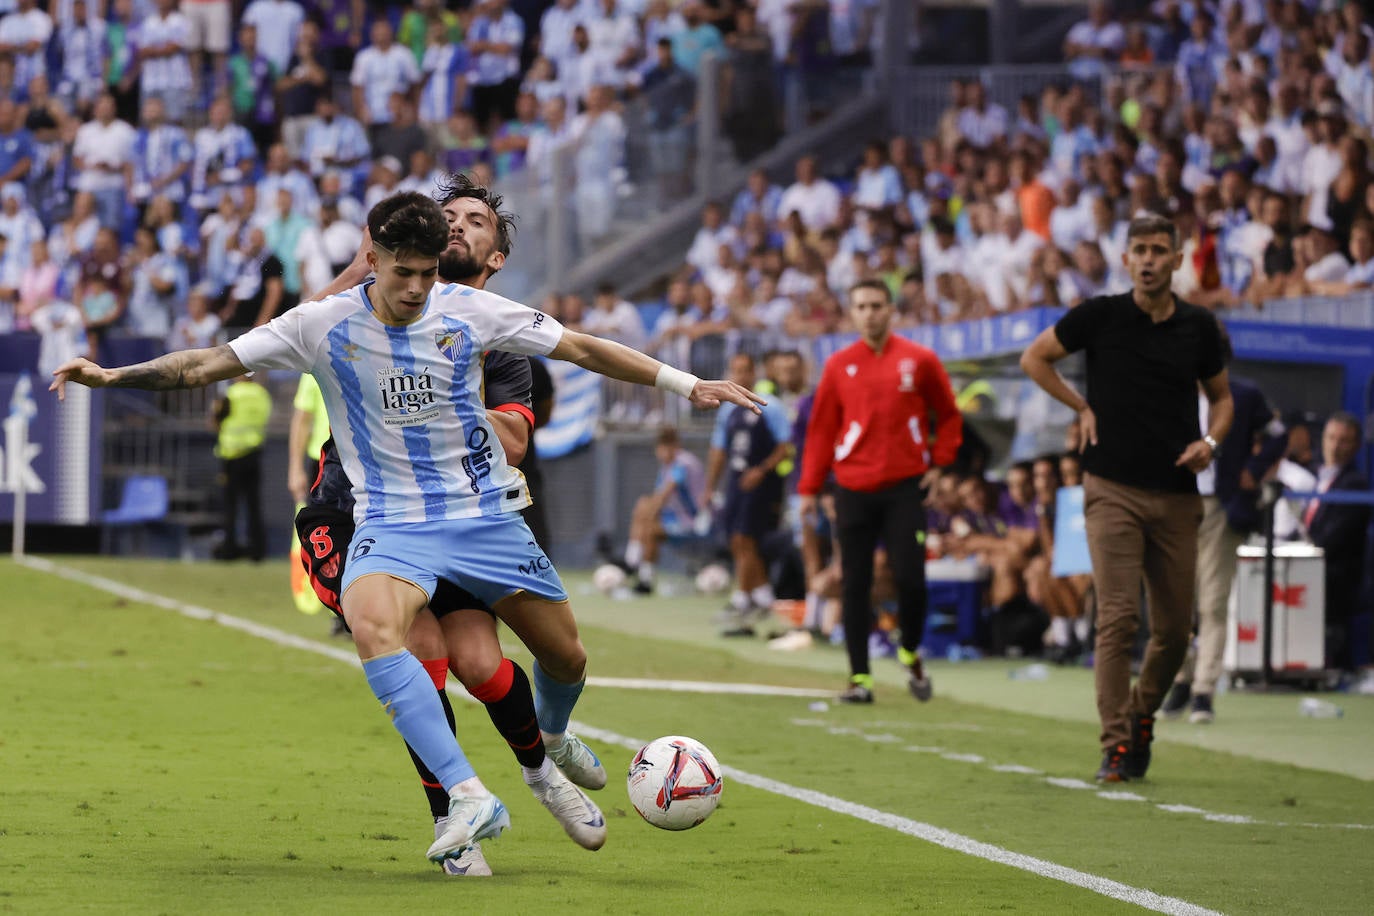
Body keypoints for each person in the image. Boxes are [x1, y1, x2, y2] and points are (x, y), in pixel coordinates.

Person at [51, 190, 761, 868]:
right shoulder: (320, 323)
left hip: (484, 517)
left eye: (427, 272)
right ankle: (467, 796)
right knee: (373, 628)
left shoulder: (473, 311)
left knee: (566, 659)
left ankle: (548, 738)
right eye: (404, 272)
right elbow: (205, 363)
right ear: (374, 260)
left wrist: (683, 383)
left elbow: (580, 347)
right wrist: (113, 377)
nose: (418, 287)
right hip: (392, 524)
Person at [1020, 212, 1232, 783]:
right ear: (1125, 259)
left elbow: (1223, 400)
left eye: (1159, 250)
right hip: (1111, 488)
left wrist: (1210, 440)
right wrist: (1081, 407)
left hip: (1177, 496)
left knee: (1174, 631)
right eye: (1138, 249)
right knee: (1116, 620)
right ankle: (1115, 744)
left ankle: (1142, 714)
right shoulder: (1100, 316)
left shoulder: (1198, 327)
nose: (1147, 260)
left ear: (1177, 260)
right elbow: (1034, 358)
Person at [798, 279, 963, 704]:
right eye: (861, 306)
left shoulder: (919, 360)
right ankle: (860, 679)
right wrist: (810, 488)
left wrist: (941, 463)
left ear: (891, 310)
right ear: (852, 314)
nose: (869, 313)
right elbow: (821, 431)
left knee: (911, 578)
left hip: (905, 487)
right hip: (852, 486)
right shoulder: (838, 365)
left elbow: (948, 414)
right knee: (855, 581)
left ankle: (908, 647)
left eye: (876, 305)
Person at [1162, 331, 1287, 723]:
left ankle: (1203, 691)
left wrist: (1252, 471)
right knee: (1178, 600)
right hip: (1177, 504)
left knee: (1212, 601)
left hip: (1221, 505)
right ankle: (1181, 681)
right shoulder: (1175, 394)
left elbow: (1277, 436)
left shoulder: (1244, 395)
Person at [704, 352, 793, 635]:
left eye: (745, 371)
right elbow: (719, 450)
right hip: (736, 482)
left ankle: (743, 597)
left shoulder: (771, 406)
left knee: (746, 537)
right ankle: (763, 596)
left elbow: (785, 446)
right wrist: (710, 485)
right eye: (736, 371)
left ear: (753, 373)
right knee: (737, 539)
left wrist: (762, 470)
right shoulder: (727, 410)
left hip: (762, 484)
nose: (741, 376)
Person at [1304, 412, 1371, 673]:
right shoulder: (1314, 476)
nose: (1335, 446)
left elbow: (1331, 539)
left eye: (1344, 440)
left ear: (1355, 446)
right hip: (1306, 573)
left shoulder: (1356, 484)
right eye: (1331, 438)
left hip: (1336, 581)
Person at [622, 427, 706, 595]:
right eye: (660, 447)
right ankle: (633, 564)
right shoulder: (667, 467)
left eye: (665, 447)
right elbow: (657, 500)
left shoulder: (683, 463)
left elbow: (664, 495)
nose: (661, 452)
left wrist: (649, 516)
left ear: (675, 446)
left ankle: (635, 569)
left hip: (694, 522)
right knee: (644, 506)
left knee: (650, 525)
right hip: (676, 519)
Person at [211, 372, 272, 562]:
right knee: (254, 504)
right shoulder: (262, 395)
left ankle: (229, 550)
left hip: (232, 455)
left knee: (231, 506)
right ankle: (257, 551)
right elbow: (265, 419)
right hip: (254, 453)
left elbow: (215, 422)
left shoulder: (231, 394)